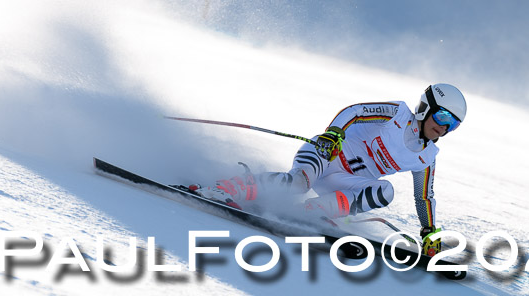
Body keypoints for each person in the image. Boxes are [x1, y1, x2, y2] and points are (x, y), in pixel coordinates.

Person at [193, 83, 467, 256]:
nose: (443, 127)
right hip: (327, 154)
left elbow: (424, 196)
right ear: (426, 108)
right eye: (442, 116)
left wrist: (429, 231)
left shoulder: (427, 157)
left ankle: (309, 214)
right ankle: (225, 188)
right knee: (297, 184)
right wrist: (334, 133)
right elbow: (356, 111)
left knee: (385, 191)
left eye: (452, 124)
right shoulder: (397, 112)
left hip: (344, 181)